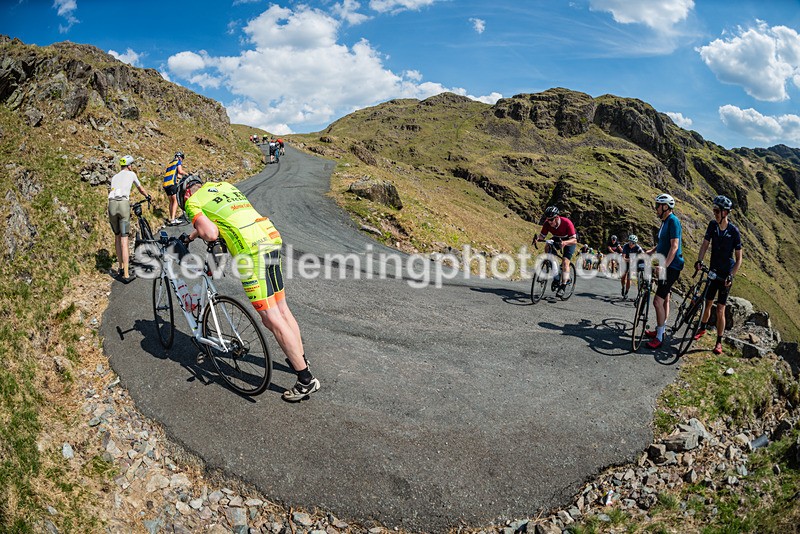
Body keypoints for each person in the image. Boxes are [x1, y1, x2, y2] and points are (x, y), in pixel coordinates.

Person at [177, 177, 320, 402]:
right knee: (282, 308)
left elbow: (212, 233)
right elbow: (222, 219)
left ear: (186, 194)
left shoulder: (192, 202)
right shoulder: (222, 187)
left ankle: (305, 379)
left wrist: (199, 231)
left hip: (251, 252)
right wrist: (192, 234)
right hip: (269, 238)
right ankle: (299, 358)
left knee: (270, 318)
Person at [692, 195, 743, 355]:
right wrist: (699, 260)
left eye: (716, 210)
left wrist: (731, 275)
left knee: (720, 309)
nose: (714, 213)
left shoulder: (734, 232)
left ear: (725, 213)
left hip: (725, 276)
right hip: (713, 271)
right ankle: (702, 328)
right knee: (707, 303)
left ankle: (719, 342)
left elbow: (739, 258)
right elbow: (705, 244)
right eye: (713, 210)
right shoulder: (713, 225)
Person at [644, 193, 684, 349]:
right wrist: (651, 252)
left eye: (657, 206)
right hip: (665, 264)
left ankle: (660, 337)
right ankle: (661, 329)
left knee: (657, 301)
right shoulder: (665, 221)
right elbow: (662, 243)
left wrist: (664, 266)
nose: (656, 209)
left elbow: (674, 246)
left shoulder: (673, 221)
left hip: (671, 267)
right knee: (665, 298)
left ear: (665, 207)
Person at [108, 155, 151, 283]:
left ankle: (120, 267)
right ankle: (126, 275)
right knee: (124, 239)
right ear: (130, 165)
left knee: (117, 236)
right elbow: (140, 188)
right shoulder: (132, 174)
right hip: (123, 204)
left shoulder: (114, 177)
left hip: (111, 205)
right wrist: (147, 196)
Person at [532, 206, 578, 298]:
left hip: (569, 240)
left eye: (551, 219)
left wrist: (565, 243)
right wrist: (537, 239)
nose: (549, 221)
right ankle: (553, 268)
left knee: (565, 262)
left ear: (557, 218)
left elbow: (574, 240)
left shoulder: (567, 223)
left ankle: (563, 286)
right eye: (547, 219)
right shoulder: (547, 223)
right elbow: (542, 236)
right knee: (547, 246)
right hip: (557, 238)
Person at [163, 151, 189, 225]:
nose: (182, 160)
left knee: (171, 201)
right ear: (179, 157)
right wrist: (187, 174)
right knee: (176, 201)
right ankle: (173, 219)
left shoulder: (170, 164)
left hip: (166, 184)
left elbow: (176, 175)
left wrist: (181, 177)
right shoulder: (178, 162)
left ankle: (172, 217)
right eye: (182, 159)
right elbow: (180, 171)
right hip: (172, 183)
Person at [620, 234, 645, 299]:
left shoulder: (638, 248)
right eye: (630, 241)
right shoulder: (625, 246)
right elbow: (623, 258)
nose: (630, 244)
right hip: (626, 262)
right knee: (623, 277)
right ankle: (623, 287)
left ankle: (626, 292)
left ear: (635, 243)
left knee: (629, 278)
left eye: (633, 243)